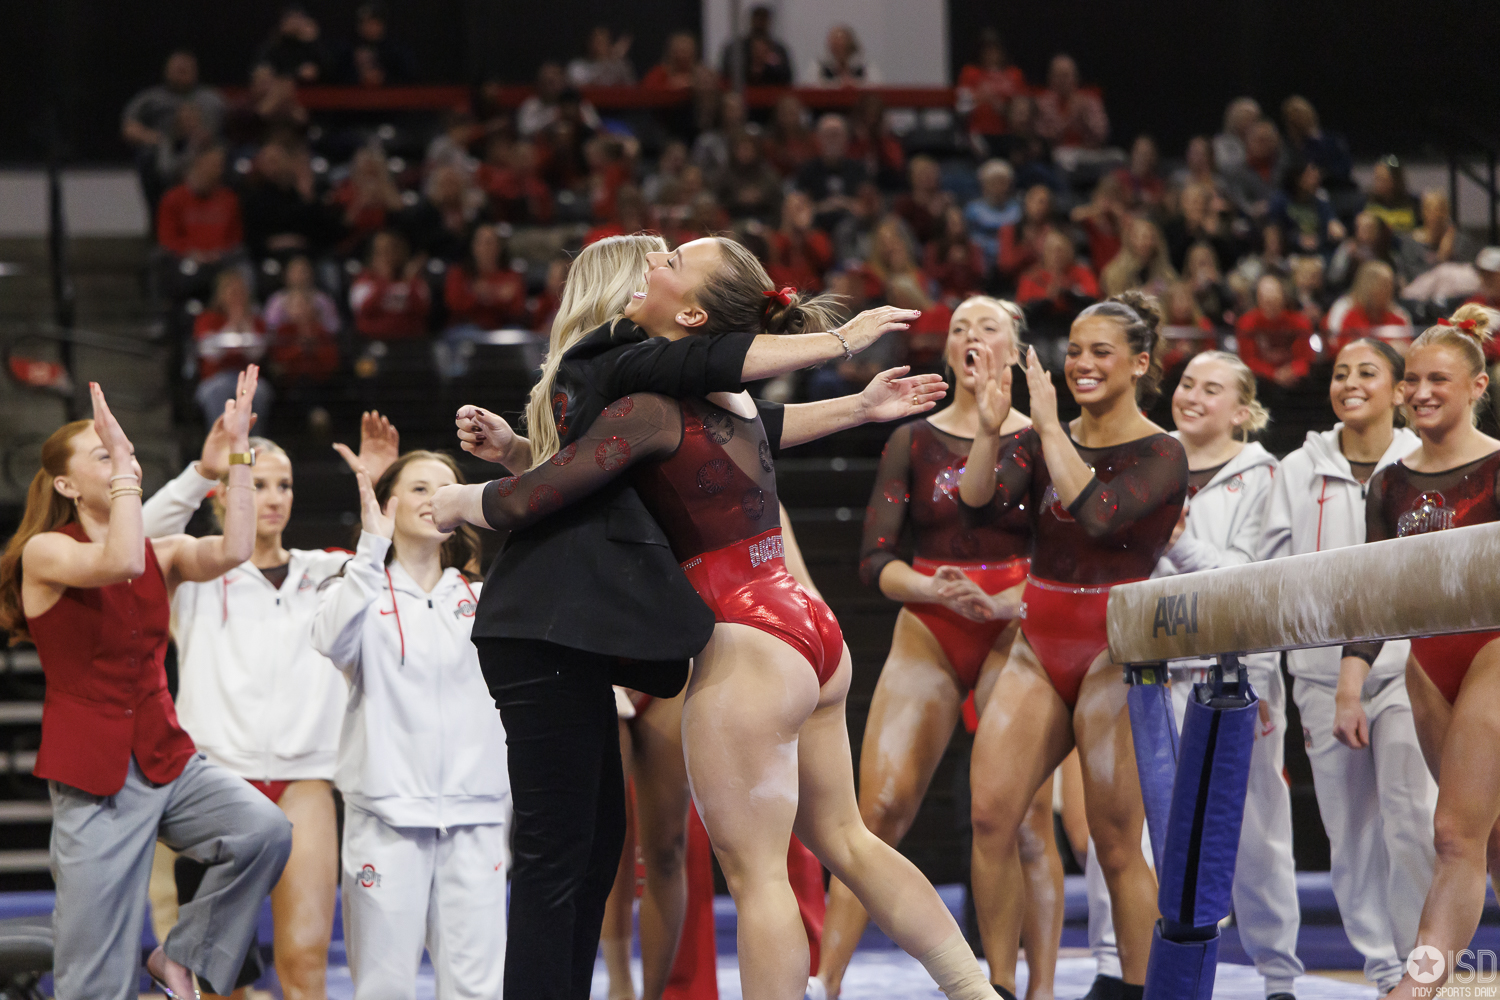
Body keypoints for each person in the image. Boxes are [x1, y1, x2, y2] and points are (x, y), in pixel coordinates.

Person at [437, 238, 996, 1000]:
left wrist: (458, 499)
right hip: (808, 623)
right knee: (848, 839)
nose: (653, 265)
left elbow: (539, 496)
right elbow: (769, 422)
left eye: (671, 263)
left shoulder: (648, 407)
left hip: (748, 636)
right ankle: (973, 990)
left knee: (760, 875)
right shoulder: (726, 402)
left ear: (695, 315)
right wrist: (859, 406)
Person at [0, 373, 292, 999]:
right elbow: (120, 560)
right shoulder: (46, 552)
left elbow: (237, 548)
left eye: (125, 452)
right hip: (94, 773)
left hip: (167, 756)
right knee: (95, 974)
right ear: (66, 485)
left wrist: (240, 457)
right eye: (104, 455)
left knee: (263, 831)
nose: (122, 461)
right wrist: (128, 473)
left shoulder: (164, 552)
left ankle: (181, 957)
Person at [814, 297, 1067, 1000]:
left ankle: (1027, 988)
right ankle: (822, 983)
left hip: (1016, 621)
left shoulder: (1041, 437)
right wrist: (932, 590)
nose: (970, 336)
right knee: (876, 811)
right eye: (958, 327)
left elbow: (1065, 556)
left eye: (987, 326)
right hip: (931, 620)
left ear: (1015, 348)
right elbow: (875, 561)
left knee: (1023, 819)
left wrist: (1011, 601)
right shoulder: (913, 439)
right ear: (947, 350)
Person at [959, 293, 1189, 1000]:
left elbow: (1099, 515)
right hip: (1039, 639)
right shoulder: (1040, 439)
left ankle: (1140, 988)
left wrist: (1047, 426)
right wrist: (990, 432)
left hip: (1113, 648)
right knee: (990, 817)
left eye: (1101, 352)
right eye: (1075, 351)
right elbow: (976, 503)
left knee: (1115, 845)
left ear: (1140, 363)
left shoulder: (1162, 452)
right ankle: (998, 985)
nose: (1082, 364)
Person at [144, 418, 396, 1000]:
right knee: (218, 978)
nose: (275, 498)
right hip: (212, 780)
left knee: (305, 962)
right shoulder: (194, 572)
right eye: (258, 485)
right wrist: (201, 471)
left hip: (303, 781)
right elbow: (137, 538)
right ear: (225, 493)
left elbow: (391, 564)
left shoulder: (324, 569)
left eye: (284, 485)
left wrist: (378, 490)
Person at [1260, 336, 1433, 997]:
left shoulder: (1421, 461)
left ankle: (1420, 965)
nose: (1350, 383)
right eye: (1339, 373)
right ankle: (1384, 970)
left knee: (1413, 818)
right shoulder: (1297, 469)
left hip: (1408, 668)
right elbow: (1266, 575)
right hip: (1320, 675)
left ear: (1398, 390)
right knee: (1351, 832)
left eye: (1367, 372)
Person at [1337, 305, 1500, 998]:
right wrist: (1350, 681)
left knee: (1453, 835)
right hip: (1428, 663)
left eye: (1440, 380)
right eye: (1413, 379)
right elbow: (1375, 595)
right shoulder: (1389, 483)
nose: (1421, 392)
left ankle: (1418, 987)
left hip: (1495, 649)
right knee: (1489, 842)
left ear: (1478, 387)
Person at [310, 447, 509, 999]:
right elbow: (328, 640)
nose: (432, 499)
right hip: (385, 818)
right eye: (418, 488)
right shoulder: (354, 589)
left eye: (444, 488)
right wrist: (371, 550)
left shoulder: (486, 597)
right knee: (383, 989)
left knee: (479, 991)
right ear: (387, 503)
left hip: (476, 817)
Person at [1145, 351, 1305, 1000]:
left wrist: (1177, 542)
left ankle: (1279, 978)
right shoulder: (1147, 459)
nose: (1191, 395)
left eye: (1211, 389)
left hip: (1236, 675)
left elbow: (1248, 580)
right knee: (1140, 833)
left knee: (1256, 834)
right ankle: (1129, 966)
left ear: (1242, 411)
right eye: (1186, 383)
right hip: (1153, 673)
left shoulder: (1266, 476)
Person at [123, 50, 226, 212]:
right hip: (164, 147)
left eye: (185, 69)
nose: (181, 74)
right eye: (177, 69)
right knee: (148, 157)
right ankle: (158, 217)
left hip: (205, 149)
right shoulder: (149, 99)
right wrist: (158, 139)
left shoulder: (213, 99)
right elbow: (129, 128)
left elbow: (222, 129)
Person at [194, 269, 273, 426]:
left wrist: (244, 324)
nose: (236, 298)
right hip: (215, 377)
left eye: (240, 293)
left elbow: (257, 353)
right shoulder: (207, 319)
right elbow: (211, 354)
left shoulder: (256, 321)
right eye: (231, 292)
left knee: (260, 393)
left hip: (248, 380)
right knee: (217, 391)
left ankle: (250, 438)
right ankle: (220, 439)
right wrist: (232, 324)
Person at [1236, 274, 1316, 389]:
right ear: (1258, 299)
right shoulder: (1247, 323)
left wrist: (1293, 370)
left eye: (1274, 297)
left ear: (1283, 296)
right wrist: (1272, 374)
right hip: (1262, 382)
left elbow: (1305, 358)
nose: (1270, 302)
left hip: (1295, 381)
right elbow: (1248, 360)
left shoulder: (1300, 322)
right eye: (1265, 298)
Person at [350, 230, 431, 340]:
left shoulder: (415, 282)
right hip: (372, 341)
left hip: (411, 342)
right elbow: (364, 310)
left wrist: (408, 280)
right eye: (382, 252)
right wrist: (385, 281)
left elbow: (423, 309)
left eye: (391, 250)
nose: (387, 257)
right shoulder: (364, 282)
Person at [957, 29, 1027, 143]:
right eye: (986, 50)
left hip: (1009, 132)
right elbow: (962, 109)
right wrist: (979, 99)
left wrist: (1002, 107)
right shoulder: (970, 73)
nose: (991, 54)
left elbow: (1024, 108)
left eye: (995, 49)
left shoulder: (1014, 74)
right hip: (978, 133)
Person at [1034, 55, 1108, 151]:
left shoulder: (1090, 101)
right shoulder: (1042, 104)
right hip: (1055, 153)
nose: (1062, 81)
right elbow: (1040, 135)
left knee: (1117, 155)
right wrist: (1068, 119)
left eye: (1066, 75)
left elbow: (1102, 133)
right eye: (1058, 76)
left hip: (1088, 153)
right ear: (1050, 78)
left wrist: (1085, 116)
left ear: (1076, 77)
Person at [335, 2, 417, 86]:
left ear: (382, 24)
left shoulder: (397, 50)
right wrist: (359, 77)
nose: (369, 27)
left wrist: (384, 78)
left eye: (373, 22)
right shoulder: (346, 49)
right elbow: (336, 78)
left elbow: (411, 77)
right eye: (364, 22)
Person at [1100, 217, 1177, 298]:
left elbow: (1174, 292)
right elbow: (1115, 300)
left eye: (1150, 237)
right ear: (1129, 239)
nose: (1146, 242)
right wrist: (1142, 293)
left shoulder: (1165, 272)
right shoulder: (1115, 273)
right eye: (1141, 237)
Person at [965, 160, 1021, 270]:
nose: (998, 187)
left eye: (1002, 182)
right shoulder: (973, 210)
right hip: (980, 261)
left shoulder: (1017, 209)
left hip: (1011, 261)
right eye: (993, 182)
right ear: (984, 185)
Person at [719, 5, 793, 86]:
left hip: (771, 91)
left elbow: (787, 78)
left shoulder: (778, 50)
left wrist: (768, 66)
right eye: (758, 18)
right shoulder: (736, 49)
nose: (760, 22)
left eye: (763, 19)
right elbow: (726, 74)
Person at [808, 24, 880, 87]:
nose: (839, 49)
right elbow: (809, 87)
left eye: (842, 45)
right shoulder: (819, 67)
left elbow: (877, 86)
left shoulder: (865, 67)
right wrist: (835, 85)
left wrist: (855, 84)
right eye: (835, 46)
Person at [1363, 156, 1419, 235]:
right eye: (1377, 178)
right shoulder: (1366, 202)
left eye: (1383, 179)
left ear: (1396, 180)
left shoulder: (1413, 203)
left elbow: (1421, 230)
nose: (1379, 184)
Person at [568, 25, 636, 87]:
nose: (598, 46)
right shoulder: (578, 66)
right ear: (589, 43)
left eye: (603, 41)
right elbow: (584, 87)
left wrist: (615, 60)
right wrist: (613, 57)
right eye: (596, 41)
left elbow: (631, 87)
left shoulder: (620, 65)